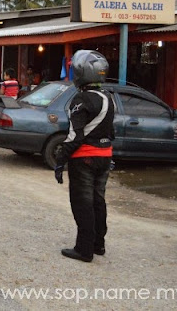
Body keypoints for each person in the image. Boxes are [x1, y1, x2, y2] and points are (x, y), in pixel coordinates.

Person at [54, 50, 115, 263]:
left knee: (83, 203)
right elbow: (110, 132)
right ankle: (99, 244)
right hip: (105, 156)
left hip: (84, 159)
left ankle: (84, 249)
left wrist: (60, 159)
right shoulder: (108, 98)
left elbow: (75, 135)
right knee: (99, 201)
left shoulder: (81, 99)